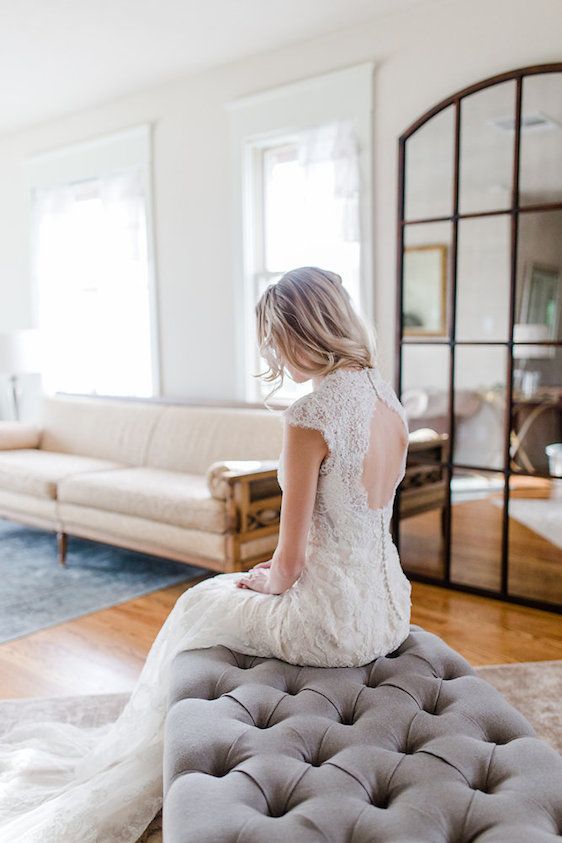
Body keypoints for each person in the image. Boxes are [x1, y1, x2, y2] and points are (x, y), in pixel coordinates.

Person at [0, 266, 412, 842]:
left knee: (197, 603)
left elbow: (289, 566)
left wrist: (264, 580)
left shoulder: (310, 417)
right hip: (390, 610)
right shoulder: (387, 400)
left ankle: (146, 761)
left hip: (334, 624)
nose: (275, 355)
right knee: (215, 597)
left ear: (300, 333)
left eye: (276, 340)